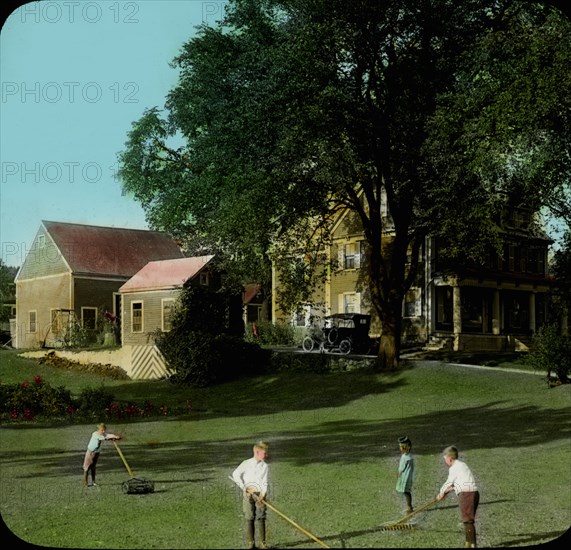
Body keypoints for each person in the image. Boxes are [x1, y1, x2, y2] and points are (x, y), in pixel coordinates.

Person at [436, 446, 480, 548]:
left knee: (468, 521)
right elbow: (460, 483)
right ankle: (468, 543)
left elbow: (449, 482)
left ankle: (472, 544)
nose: (445, 461)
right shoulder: (462, 465)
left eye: (445, 459)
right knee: (468, 520)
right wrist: (447, 492)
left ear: (449, 458)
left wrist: (441, 493)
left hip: (466, 495)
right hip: (474, 493)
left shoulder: (453, 468)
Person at [231, 441, 270, 549]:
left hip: (260, 494)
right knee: (250, 517)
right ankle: (251, 543)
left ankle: (263, 543)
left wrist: (262, 494)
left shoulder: (265, 466)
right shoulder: (246, 463)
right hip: (248, 494)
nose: (266, 455)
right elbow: (235, 474)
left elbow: (265, 482)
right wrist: (244, 488)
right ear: (257, 452)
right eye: (264, 453)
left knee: (261, 516)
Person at [82, 423, 121, 487]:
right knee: (86, 467)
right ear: (98, 430)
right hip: (90, 452)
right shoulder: (95, 434)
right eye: (102, 430)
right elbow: (103, 438)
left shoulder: (103, 434)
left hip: (96, 453)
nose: (103, 431)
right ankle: (85, 483)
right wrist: (111, 438)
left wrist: (115, 436)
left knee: (93, 467)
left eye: (104, 430)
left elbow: (108, 435)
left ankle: (93, 482)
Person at [396, 435, 414, 514]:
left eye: (401, 447)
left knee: (406, 491)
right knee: (406, 491)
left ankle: (409, 506)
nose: (400, 449)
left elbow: (402, 468)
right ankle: (409, 506)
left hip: (405, 477)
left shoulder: (405, 458)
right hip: (408, 476)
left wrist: (399, 473)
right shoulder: (409, 456)